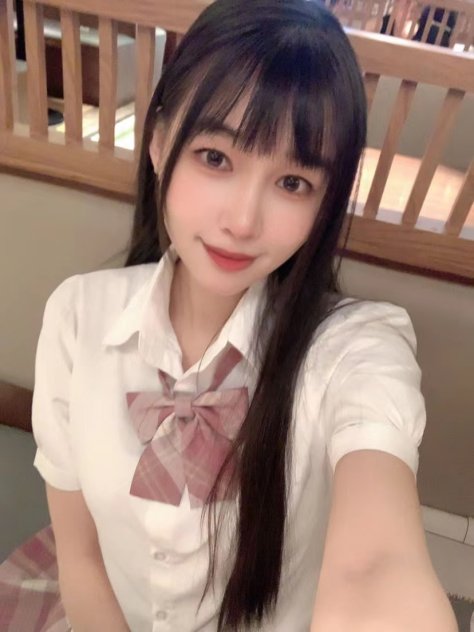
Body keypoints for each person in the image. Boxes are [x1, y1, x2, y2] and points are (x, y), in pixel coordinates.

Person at [28, 1, 457, 631]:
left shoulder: (355, 348)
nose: (243, 220)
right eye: (216, 158)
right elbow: (81, 558)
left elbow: (377, 566)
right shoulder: (77, 317)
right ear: (159, 143)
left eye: (293, 183)